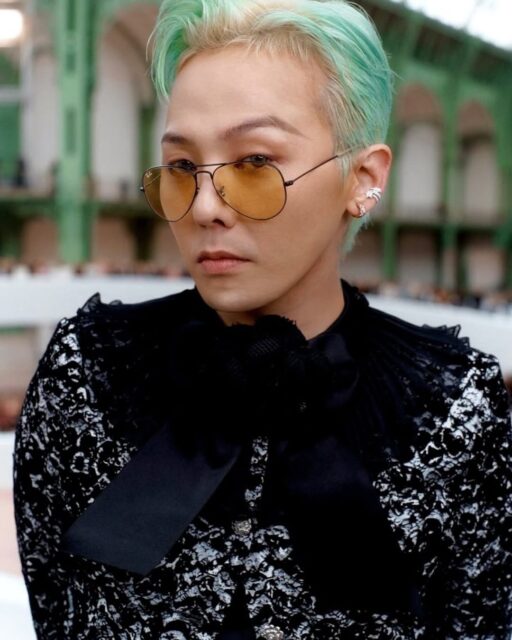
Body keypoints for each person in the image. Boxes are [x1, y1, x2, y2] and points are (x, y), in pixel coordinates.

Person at [13, 0, 512, 638]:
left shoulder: (451, 410)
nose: (204, 207)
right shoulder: (88, 376)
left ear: (363, 178)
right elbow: (57, 608)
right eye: (182, 167)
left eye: (254, 163)